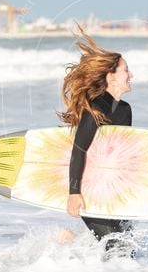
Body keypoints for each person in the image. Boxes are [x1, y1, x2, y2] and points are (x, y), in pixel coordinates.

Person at [57, 26, 135, 257]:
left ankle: (68, 245)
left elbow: (121, 153)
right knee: (118, 250)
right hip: (88, 187)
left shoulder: (125, 110)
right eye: (126, 71)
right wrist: (74, 193)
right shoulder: (95, 109)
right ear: (111, 76)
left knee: (124, 246)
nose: (130, 75)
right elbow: (78, 150)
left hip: (110, 189)